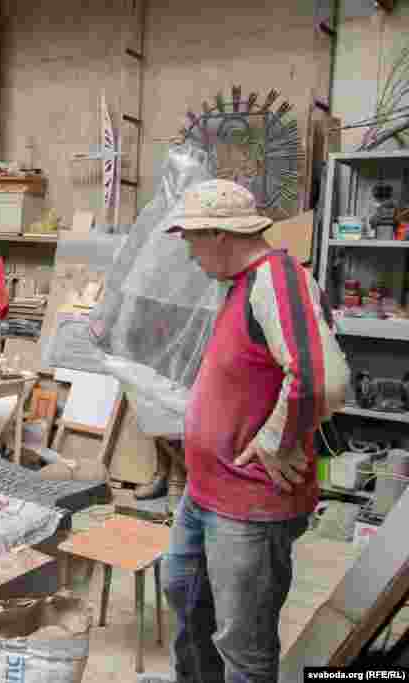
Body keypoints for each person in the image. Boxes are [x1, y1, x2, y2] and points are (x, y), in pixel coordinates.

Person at [144, 179, 350, 683]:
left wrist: (277, 439)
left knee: (244, 645)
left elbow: (323, 379)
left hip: (248, 505)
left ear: (219, 234)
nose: (190, 253)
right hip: (208, 490)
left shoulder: (278, 279)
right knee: (185, 593)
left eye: (192, 239)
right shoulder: (245, 284)